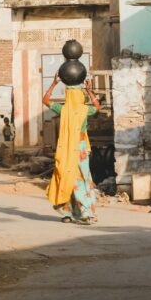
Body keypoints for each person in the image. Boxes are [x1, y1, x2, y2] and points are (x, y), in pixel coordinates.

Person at [43, 74, 101, 225]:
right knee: (82, 180)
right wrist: (89, 91)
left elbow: (45, 100)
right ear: (80, 95)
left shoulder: (63, 109)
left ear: (68, 95)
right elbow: (97, 106)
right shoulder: (85, 110)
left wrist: (54, 83)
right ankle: (86, 213)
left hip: (67, 149)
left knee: (65, 177)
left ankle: (66, 213)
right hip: (80, 149)